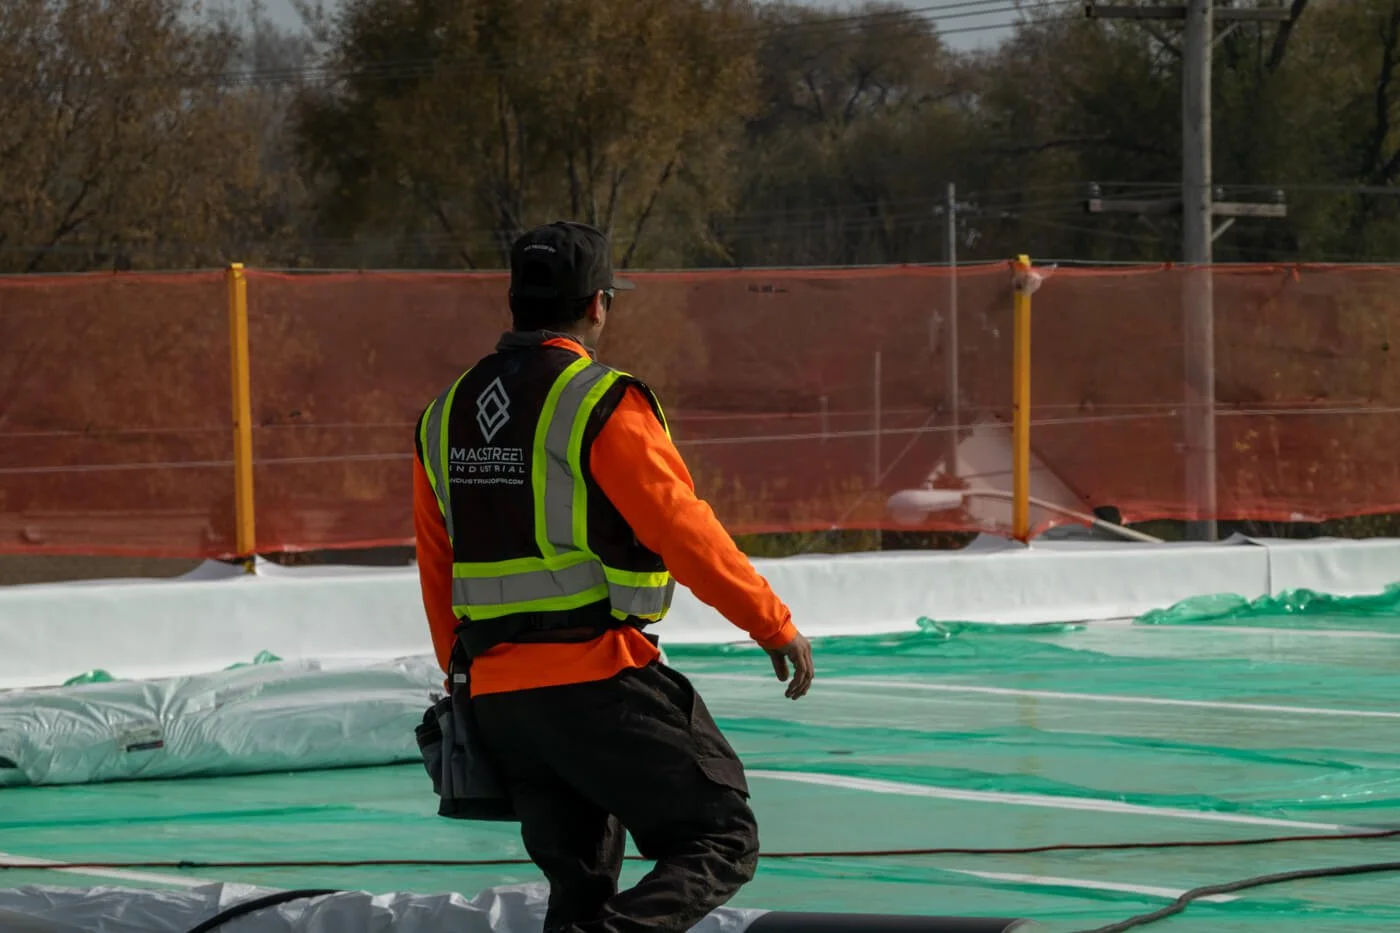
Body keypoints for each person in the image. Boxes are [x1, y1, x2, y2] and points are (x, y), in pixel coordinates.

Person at [411, 220, 815, 933]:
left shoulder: (444, 414)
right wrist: (770, 622)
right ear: (598, 304)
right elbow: (679, 527)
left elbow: (436, 564)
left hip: (503, 700)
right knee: (721, 836)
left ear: (515, 301)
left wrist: (464, 679)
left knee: (580, 888)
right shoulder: (598, 401)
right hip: (597, 681)